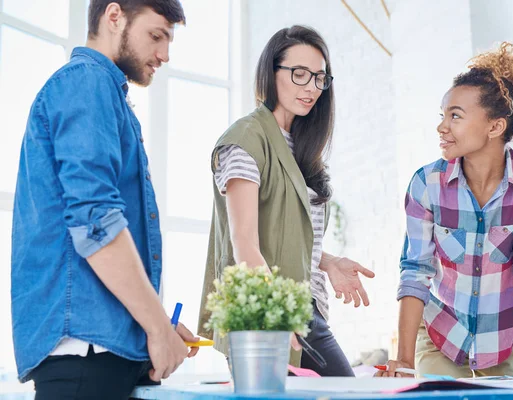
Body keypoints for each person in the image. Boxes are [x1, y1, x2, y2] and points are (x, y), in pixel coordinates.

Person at [377, 42, 513, 381]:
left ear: (495, 127)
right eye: (442, 115)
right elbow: (415, 271)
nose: (442, 127)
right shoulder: (427, 184)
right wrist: (404, 361)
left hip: (506, 339)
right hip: (442, 337)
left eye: (455, 116)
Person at [11, 1, 200, 398]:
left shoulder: (103, 93)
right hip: (85, 357)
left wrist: (158, 325)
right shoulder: (86, 82)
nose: (165, 54)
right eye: (156, 35)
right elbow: (96, 222)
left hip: (99, 352)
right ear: (114, 17)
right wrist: (155, 328)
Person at [198, 25, 375, 377]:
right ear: (271, 72)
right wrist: (280, 314)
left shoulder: (299, 145)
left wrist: (325, 260)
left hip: (303, 307)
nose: (311, 87)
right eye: (299, 74)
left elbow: (279, 230)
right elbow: (244, 243)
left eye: (319, 78)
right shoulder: (245, 140)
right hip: (271, 315)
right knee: (346, 391)